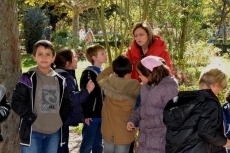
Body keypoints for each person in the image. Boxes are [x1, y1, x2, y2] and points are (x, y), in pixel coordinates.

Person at [11, 40, 72, 153]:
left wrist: (60, 119)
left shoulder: (61, 81)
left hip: (54, 133)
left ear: (53, 57)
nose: (44, 57)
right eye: (40, 54)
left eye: (48, 54)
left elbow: (67, 102)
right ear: (34, 57)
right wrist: (31, 118)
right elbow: (16, 101)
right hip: (33, 132)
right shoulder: (27, 78)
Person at [163, 65, 230, 153]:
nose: (218, 93)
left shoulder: (179, 100)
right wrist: (225, 142)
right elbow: (206, 132)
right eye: (221, 89)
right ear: (216, 84)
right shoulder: (210, 103)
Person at [126, 55, 178, 153]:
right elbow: (142, 107)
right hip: (144, 142)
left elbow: (171, 115)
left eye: (141, 74)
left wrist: (145, 123)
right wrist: (133, 120)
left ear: (150, 74)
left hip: (160, 143)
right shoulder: (146, 87)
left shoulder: (169, 87)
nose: (139, 77)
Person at [97, 55, 141, 153]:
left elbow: (100, 76)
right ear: (132, 68)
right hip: (125, 132)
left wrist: (116, 66)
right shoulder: (136, 87)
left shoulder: (108, 81)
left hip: (108, 130)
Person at [54, 49, 95, 153]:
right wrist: (87, 91)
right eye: (74, 58)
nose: (76, 59)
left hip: (56, 119)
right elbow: (71, 99)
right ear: (67, 63)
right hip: (60, 121)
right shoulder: (66, 78)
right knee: (61, 148)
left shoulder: (57, 74)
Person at [79, 44, 107, 153]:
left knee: (98, 145)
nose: (105, 56)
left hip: (102, 115)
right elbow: (86, 94)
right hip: (92, 116)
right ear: (94, 58)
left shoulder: (104, 73)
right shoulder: (88, 73)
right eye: (102, 54)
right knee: (87, 145)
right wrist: (87, 114)